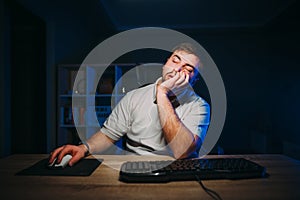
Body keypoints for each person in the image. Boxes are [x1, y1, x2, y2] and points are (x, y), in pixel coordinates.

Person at [49, 43, 210, 166]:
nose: (176, 70)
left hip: (178, 169)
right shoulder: (133, 97)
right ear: (165, 63)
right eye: (175, 61)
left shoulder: (199, 106)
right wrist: (84, 148)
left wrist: (162, 94)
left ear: (194, 80)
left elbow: (181, 151)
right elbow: (108, 134)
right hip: (135, 168)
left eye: (187, 69)